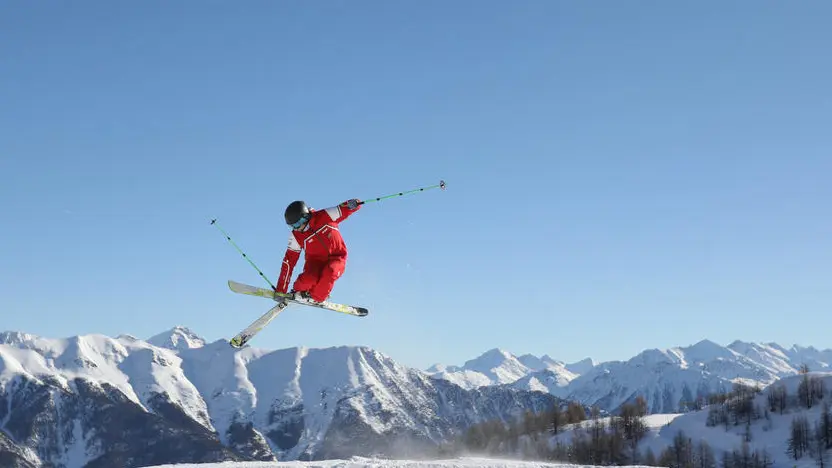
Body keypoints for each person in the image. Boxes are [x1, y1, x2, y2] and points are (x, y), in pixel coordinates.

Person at [275, 198, 362, 303]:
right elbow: (288, 262)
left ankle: (316, 297)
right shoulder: (296, 236)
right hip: (315, 262)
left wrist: (353, 203)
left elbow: (346, 208)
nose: (295, 229)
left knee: (330, 271)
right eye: (292, 226)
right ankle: (299, 292)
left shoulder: (325, 216)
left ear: (305, 217)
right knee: (306, 281)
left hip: (337, 257)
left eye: (297, 225)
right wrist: (281, 290)